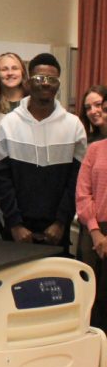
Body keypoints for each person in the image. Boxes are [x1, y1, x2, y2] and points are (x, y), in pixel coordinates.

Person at [0, 53, 87, 252]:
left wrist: (61, 222)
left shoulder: (74, 125)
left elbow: (76, 182)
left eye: (51, 79)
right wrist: (15, 224)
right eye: (39, 78)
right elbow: (1, 180)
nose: (45, 84)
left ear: (58, 84)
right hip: (16, 234)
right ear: (28, 82)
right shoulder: (8, 124)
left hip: (57, 233)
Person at [76, 134, 107, 337]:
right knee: (91, 299)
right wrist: (96, 232)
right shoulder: (95, 148)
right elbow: (83, 193)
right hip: (93, 231)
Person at [0, 52, 28, 116]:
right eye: (4, 69)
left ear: (22, 72)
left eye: (15, 68)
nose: (10, 73)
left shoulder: (33, 101)